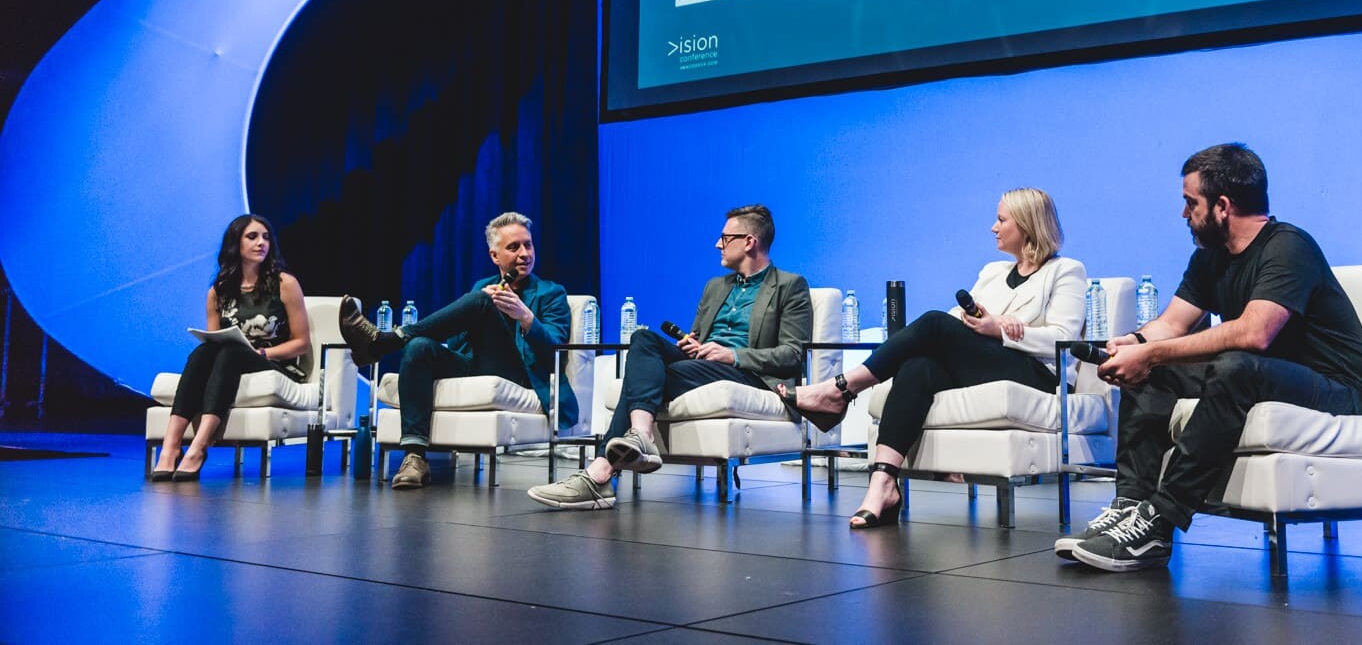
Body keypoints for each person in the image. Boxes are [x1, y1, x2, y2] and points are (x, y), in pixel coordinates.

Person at [1059, 144, 1362, 572]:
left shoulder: (1288, 248)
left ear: (1223, 206)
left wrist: (1152, 351)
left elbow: (1255, 332)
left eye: (1190, 203)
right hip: (1273, 380)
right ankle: (1131, 508)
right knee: (1154, 371)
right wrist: (1136, 342)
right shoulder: (1210, 258)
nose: (1183, 214)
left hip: (1344, 392)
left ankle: (1160, 519)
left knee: (1235, 367)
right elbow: (1173, 324)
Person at [780, 189, 1086, 529]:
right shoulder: (993, 271)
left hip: (1038, 374)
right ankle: (882, 485)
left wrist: (998, 328)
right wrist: (980, 323)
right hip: (989, 364)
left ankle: (842, 389)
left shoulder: (1066, 271)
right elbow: (961, 317)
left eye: (1001, 220)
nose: (993, 228)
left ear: (1027, 225)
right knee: (918, 366)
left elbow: (1063, 338)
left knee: (935, 321)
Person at [529, 204, 811, 510]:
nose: (718, 244)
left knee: (648, 378)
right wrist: (694, 344)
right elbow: (698, 336)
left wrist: (732, 355)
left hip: (747, 373)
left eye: (725, 238)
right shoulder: (716, 286)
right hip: (703, 365)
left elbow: (792, 355)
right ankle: (640, 436)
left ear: (749, 242)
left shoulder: (789, 286)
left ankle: (599, 476)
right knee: (643, 338)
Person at [338, 211, 578, 489]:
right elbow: (455, 344)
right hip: (477, 365)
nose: (524, 253)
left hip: (522, 374)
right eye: (514, 247)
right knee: (419, 348)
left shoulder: (551, 293)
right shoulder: (483, 288)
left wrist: (525, 317)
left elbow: (555, 353)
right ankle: (415, 457)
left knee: (479, 302)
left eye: (528, 245)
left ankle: (388, 341)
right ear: (494, 256)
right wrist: (482, 312)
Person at [151, 214, 310, 482]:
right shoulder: (219, 290)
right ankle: (170, 447)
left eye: (266, 237)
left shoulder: (285, 284)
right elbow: (214, 340)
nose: (261, 243)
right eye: (252, 237)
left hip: (273, 362)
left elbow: (301, 343)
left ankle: (199, 448)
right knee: (205, 352)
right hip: (230, 360)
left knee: (232, 353)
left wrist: (263, 353)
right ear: (235, 244)